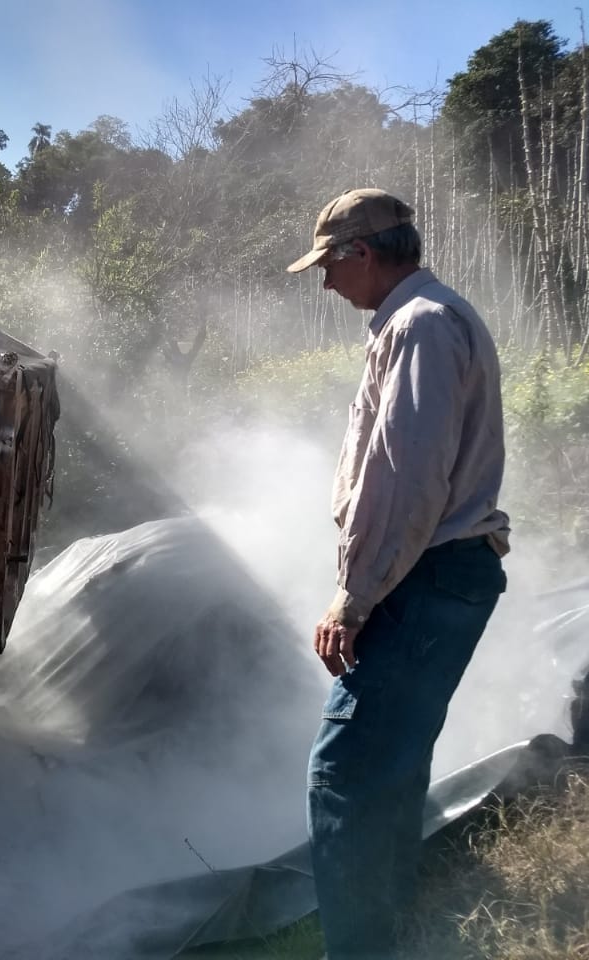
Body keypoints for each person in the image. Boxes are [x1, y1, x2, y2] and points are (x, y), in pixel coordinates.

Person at [286, 188, 510, 959]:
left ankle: (361, 949)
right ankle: (396, 927)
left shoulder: (418, 327)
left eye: (329, 266)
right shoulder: (424, 319)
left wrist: (353, 597)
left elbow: (409, 481)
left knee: (343, 770)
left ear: (363, 253)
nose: (326, 284)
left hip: (425, 574)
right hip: (442, 573)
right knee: (393, 763)